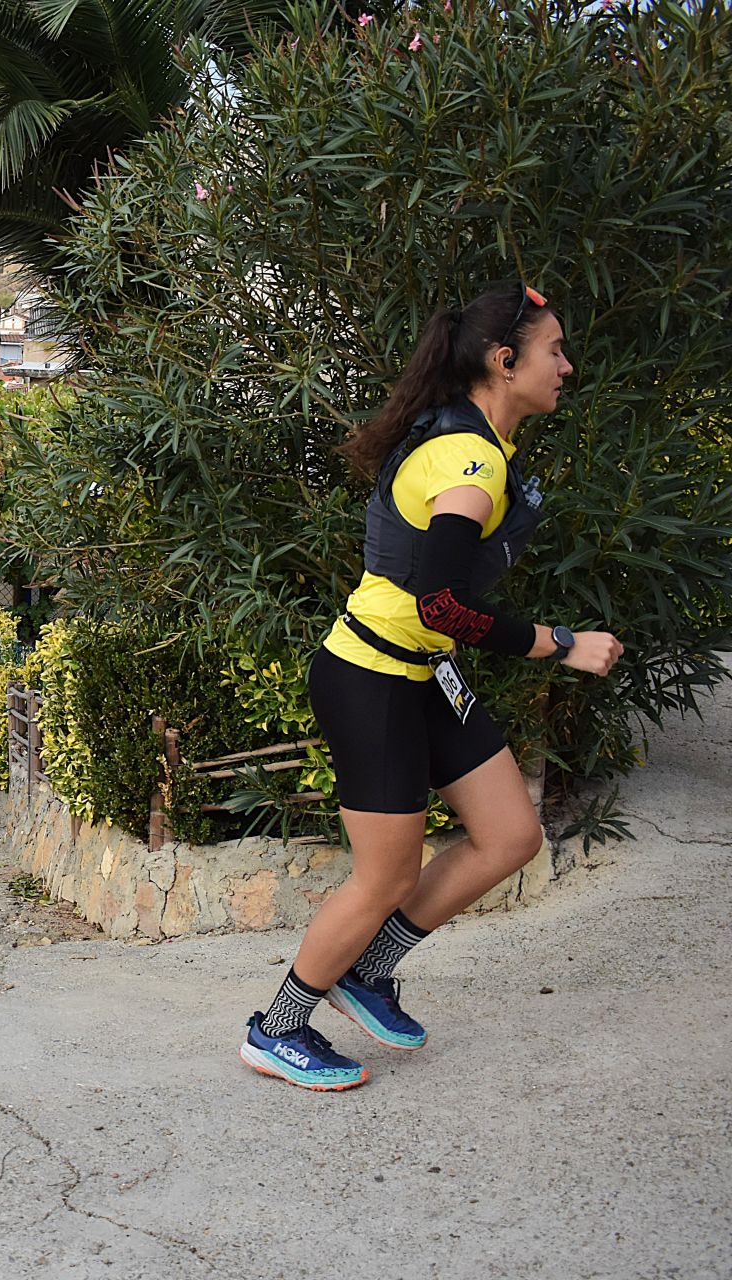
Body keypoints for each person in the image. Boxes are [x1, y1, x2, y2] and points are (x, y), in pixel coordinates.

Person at [240, 282, 623, 1092]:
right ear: (503, 359)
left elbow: (440, 614)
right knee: (386, 876)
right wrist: (560, 643)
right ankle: (276, 1029)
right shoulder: (470, 466)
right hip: (371, 675)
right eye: (555, 350)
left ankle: (365, 972)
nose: (568, 365)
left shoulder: (479, 444)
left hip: (422, 670)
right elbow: (443, 604)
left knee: (510, 835)